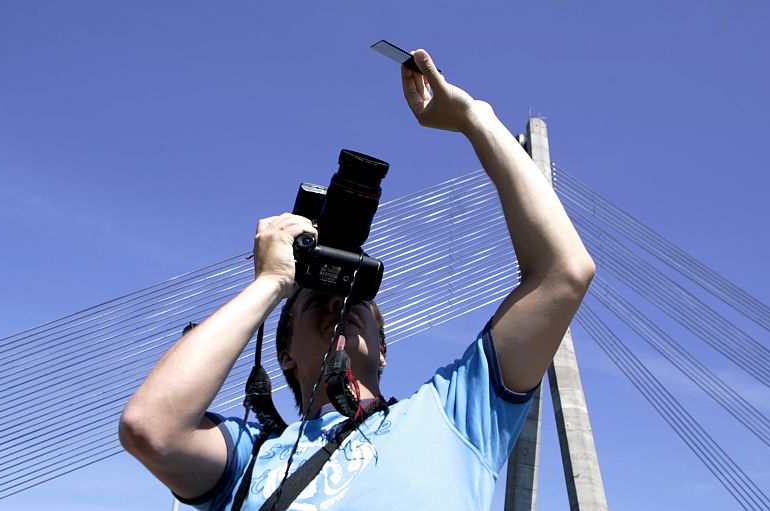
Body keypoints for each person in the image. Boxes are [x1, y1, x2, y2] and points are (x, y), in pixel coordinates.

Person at [119, 48, 595, 510]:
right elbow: (151, 428)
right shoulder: (250, 457)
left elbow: (564, 274)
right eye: (314, 303)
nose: (337, 305)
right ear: (285, 357)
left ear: (383, 349)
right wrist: (271, 282)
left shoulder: (454, 414)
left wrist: (475, 118)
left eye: (355, 301)